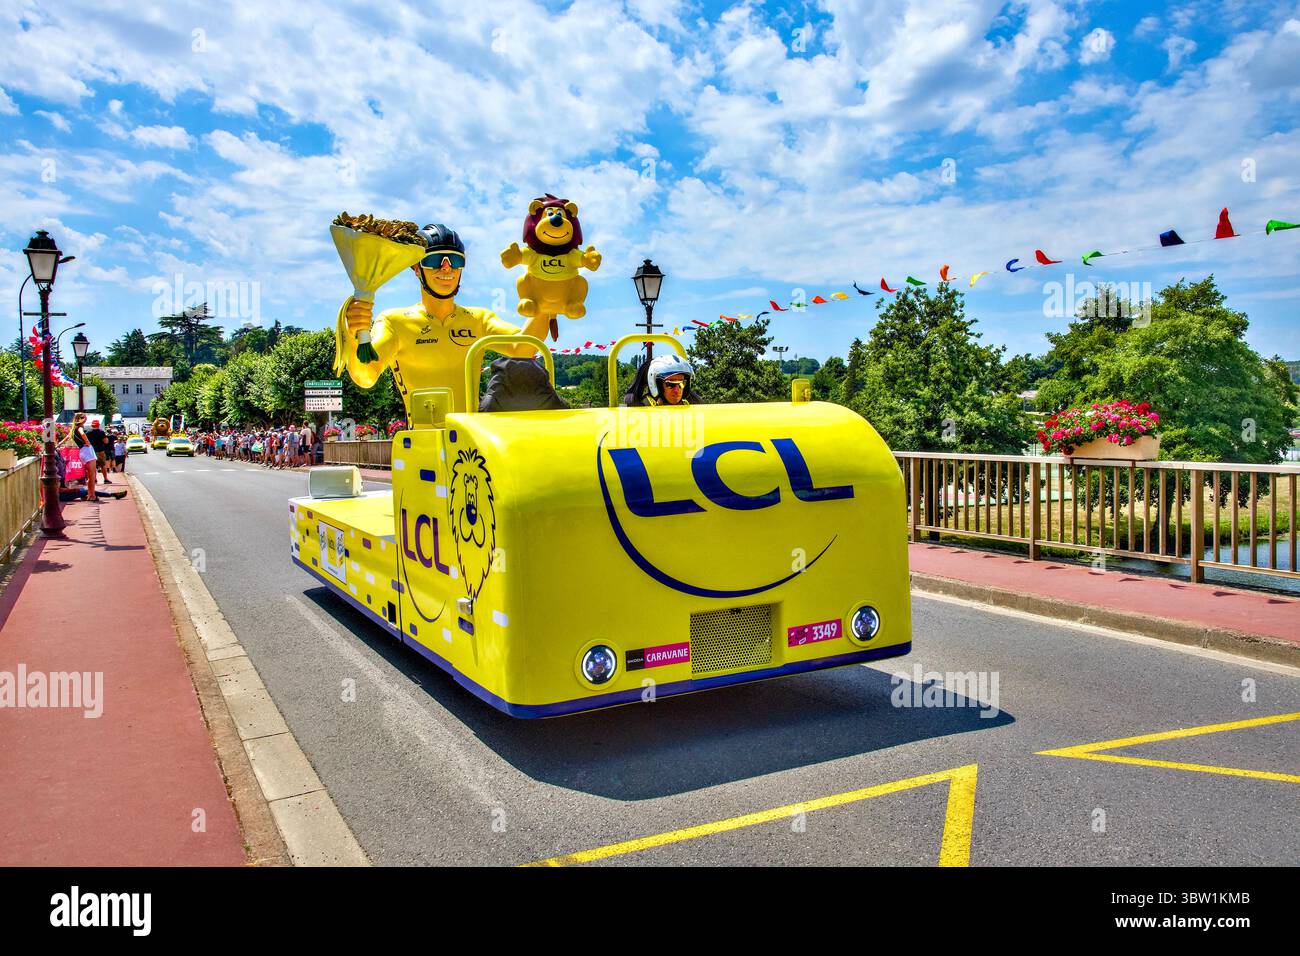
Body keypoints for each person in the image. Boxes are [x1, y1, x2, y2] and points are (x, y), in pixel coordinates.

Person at [340, 223, 553, 415]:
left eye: (454, 260)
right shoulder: (394, 321)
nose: (446, 268)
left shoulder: (478, 319)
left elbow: (524, 348)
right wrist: (352, 333)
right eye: (434, 260)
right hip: (421, 442)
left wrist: (547, 301)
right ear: (416, 268)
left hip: (469, 442)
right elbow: (366, 376)